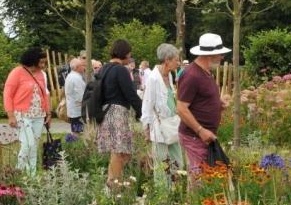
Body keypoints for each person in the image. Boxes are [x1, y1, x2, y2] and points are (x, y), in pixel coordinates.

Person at [177, 33, 231, 175]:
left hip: (205, 136)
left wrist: (219, 104)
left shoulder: (206, 72)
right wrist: (200, 130)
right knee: (199, 179)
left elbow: (201, 98)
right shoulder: (192, 75)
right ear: (209, 55)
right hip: (195, 136)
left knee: (206, 177)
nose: (222, 57)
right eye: (220, 54)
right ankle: (195, 198)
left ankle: (198, 197)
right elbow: (181, 108)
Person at [95, 39, 143, 185]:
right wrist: (141, 111)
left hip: (106, 111)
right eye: (129, 53)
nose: (130, 57)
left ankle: (111, 182)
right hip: (117, 113)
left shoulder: (104, 68)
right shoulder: (120, 69)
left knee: (119, 152)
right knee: (119, 151)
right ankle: (114, 184)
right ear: (125, 53)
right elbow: (130, 93)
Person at [3, 48, 52, 176]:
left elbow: (45, 94)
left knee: (34, 145)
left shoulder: (42, 74)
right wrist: (10, 115)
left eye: (44, 63)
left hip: (39, 115)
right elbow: (7, 94)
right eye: (41, 62)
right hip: (22, 115)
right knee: (27, 145)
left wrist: (49, 113)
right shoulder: (17, 72)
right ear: (33, 61)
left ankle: (32, 175)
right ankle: (17, 173)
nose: (43, 65)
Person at [141, 44, 184, 186]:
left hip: (172, 125)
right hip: (159, 127)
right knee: (162, 163)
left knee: (178, 161)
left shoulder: (170, 75)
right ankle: (163, 196)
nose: (178, 63)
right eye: (176, 60)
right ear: (167, 60)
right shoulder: (153, 78)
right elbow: (147, 105)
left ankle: (176, 189)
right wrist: (146, 130)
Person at [64, 57, 87, 133]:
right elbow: (81, 96)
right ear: (77, 67)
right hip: (78, 111)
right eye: (82, 66)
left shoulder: (70, 76)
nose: (84, 67)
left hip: (73, 109)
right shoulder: (76, 78)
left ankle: (75, 142)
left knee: (76, 131)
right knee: (79, 132)